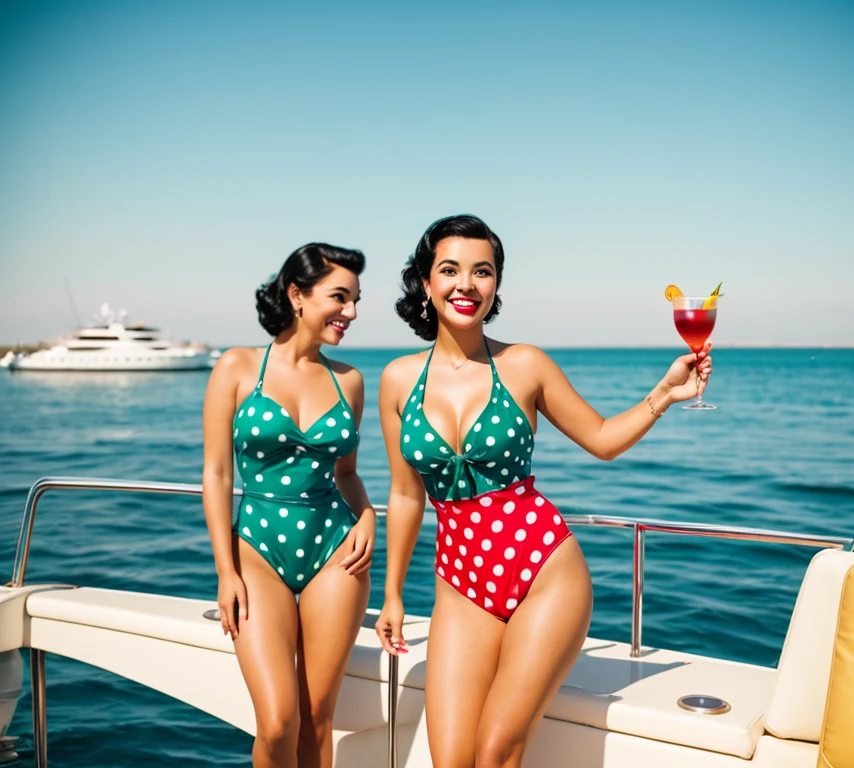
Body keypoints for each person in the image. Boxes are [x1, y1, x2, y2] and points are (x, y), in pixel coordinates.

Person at [374, 215, 712, 768]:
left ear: (496, 285)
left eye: (483, 271)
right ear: (426, 282)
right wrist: (391, 594)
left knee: (496, 752)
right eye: (450, 270)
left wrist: (665, 393)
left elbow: (602, 440)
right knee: (450, 761)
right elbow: (407, 495)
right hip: (459, 583)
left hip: (543, 571)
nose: (467, 284)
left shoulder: (524, 364)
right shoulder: (397, 379)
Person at [202, 243, 376, 767]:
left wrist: (366, 514)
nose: (351, 312)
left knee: (316, 722)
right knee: (278, 721)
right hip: (256, 551)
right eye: (340, 297)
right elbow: (215, 474)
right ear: (297, 295)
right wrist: (225, 572)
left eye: (355, 300)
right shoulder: (238, 367)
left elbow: (346, 474)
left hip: (335, 553)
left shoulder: (349, 380)